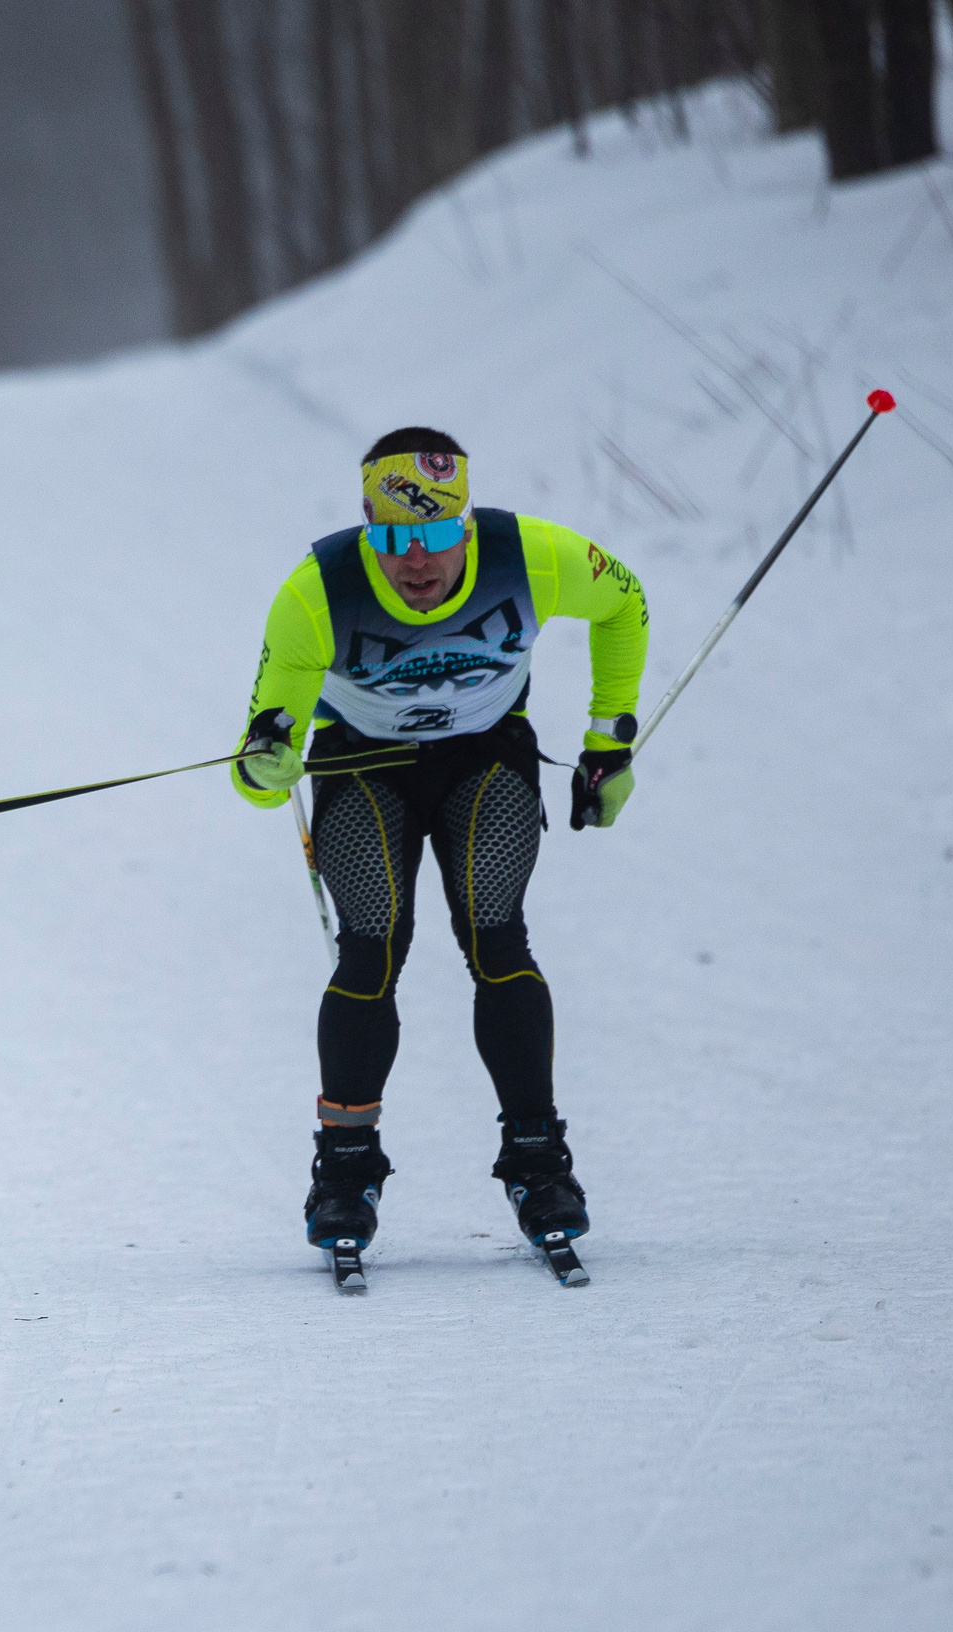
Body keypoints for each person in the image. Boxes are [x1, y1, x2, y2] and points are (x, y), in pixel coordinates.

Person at [232, 428, 647, 1260]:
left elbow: (624, 603)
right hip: (364, 766)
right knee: (372, 947)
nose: (416, 562)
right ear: (366, 528)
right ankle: (345, 1171)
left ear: (465, 524)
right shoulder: (317, 592)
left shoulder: (533, 555)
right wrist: (266, 767)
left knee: (496, 934)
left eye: (435, 538)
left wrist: (610, 739)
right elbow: (256, 769)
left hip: (484, 758)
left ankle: (539, 1161)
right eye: (392, 541)